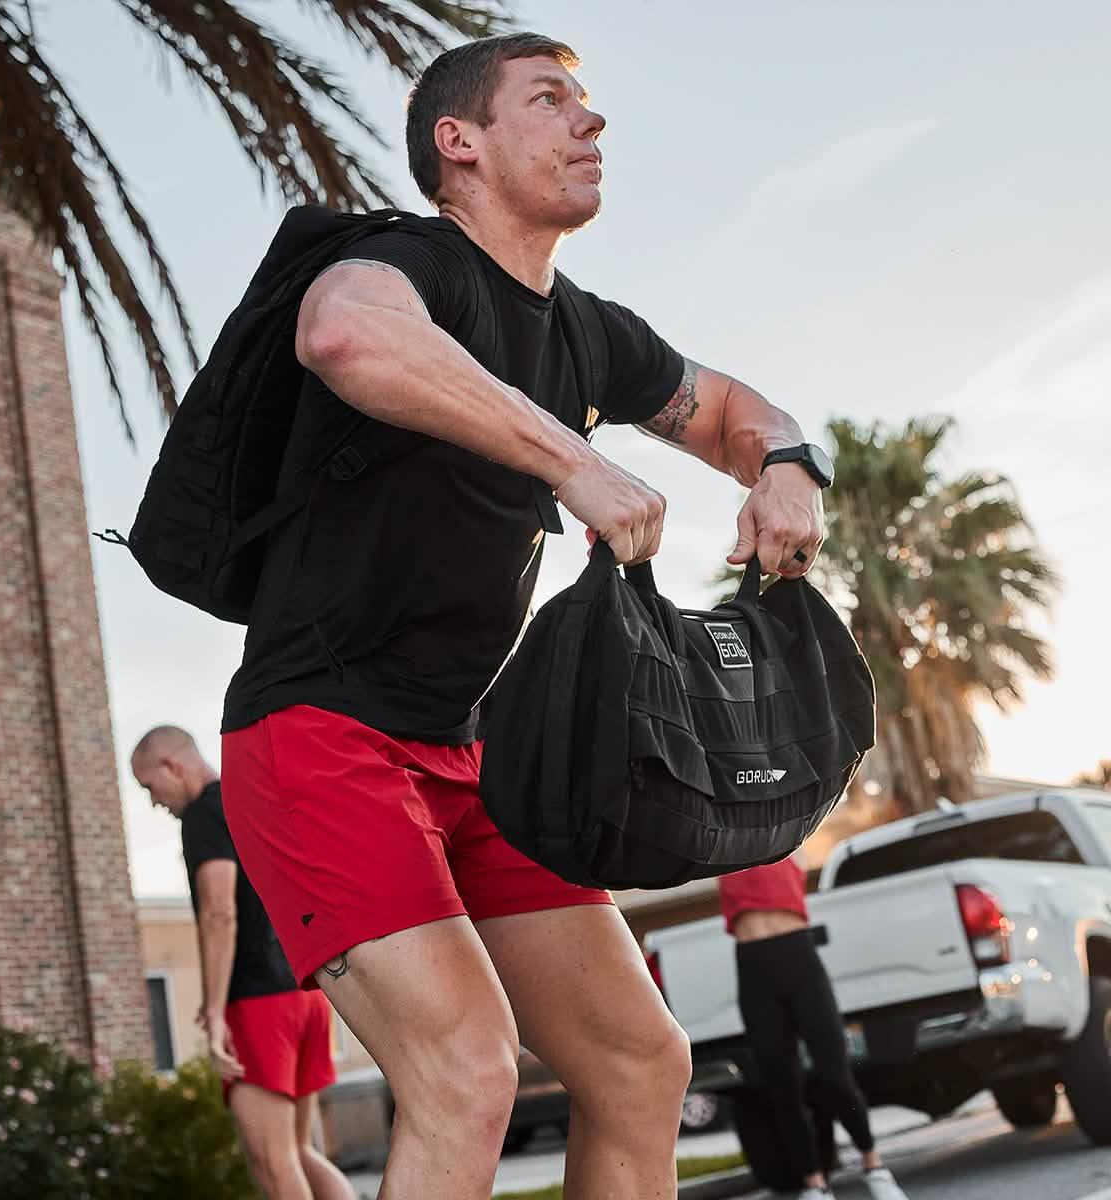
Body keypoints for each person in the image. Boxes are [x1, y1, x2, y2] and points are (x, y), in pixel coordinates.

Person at [218, 32, 830, 1200]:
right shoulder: (402, 262)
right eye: (551, 101)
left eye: (590, 104)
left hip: (477, 754)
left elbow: (739, 410)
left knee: (644, 1065)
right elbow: (342, 333)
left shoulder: (589, 331)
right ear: (461, 144)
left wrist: (787, 467)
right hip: (321, 736)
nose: (590, 123)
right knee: (466, 1070)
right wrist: (572, 463)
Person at [131, 726, 356, 1200]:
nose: (153, 802)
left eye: (149, 787)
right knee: (299, 1153)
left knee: (273, 1166)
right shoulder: (253, 798)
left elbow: (219, 912)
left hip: (259, 1003)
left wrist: (214, 1012)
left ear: (173, 766)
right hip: (307, 991)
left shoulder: (203, 815)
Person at [720, 856, 910, 1200]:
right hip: (753, 969)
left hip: (799, 958)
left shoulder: (784, 833)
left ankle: (875, 1167)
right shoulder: (723, 842)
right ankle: (815, 1185)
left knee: (835, 1075)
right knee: (783, 1088)